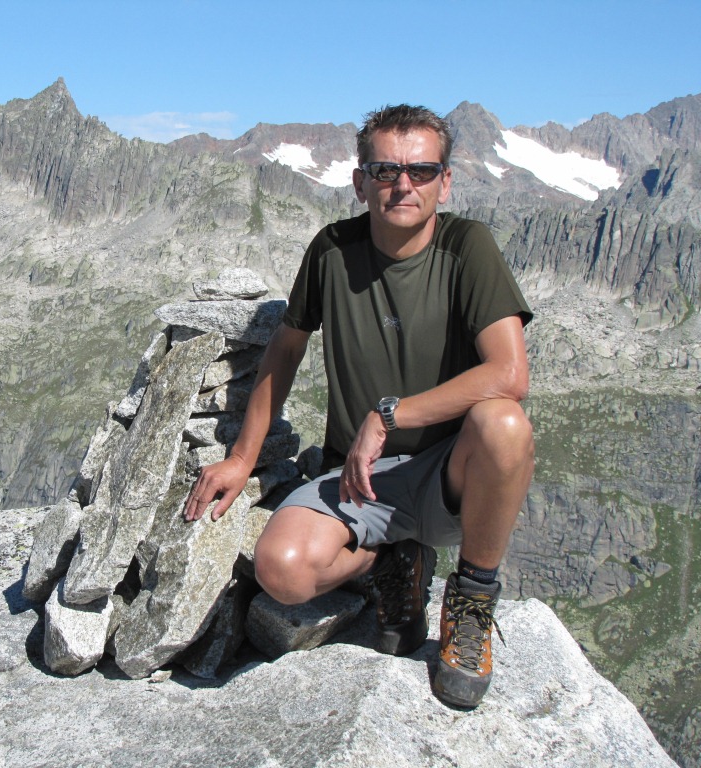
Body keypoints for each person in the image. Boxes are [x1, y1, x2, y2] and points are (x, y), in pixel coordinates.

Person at [182, 104, 534, 709]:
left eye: (422, 171)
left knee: (504, 422)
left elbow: (509, 374)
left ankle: (471, 604)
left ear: (446, 181)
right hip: (357, 478)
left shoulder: (467, 246)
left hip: (450, 473)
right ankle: (388, 563)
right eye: (385, 170)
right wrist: (242, 457)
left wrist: (388, 415)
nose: (403, 185)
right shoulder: (332, 251)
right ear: (360, 181)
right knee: (281, 569)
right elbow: (285, 349)